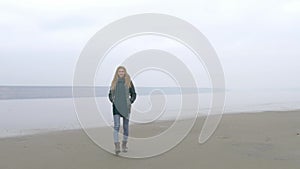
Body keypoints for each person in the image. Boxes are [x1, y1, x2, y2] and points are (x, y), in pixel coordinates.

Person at [108, 66, 136, 155]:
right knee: (116, 126)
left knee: (125, 127)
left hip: (126, 107)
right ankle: (117, 146)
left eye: (122, 71)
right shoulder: (114, 82)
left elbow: (134, 94)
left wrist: (130, 102)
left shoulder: (129, 82)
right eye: (119, 71)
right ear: (117, 73)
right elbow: (110, 94)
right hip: (116, 107)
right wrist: (113, 100)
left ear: (125, 72)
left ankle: (124, 144)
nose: (121, 73)